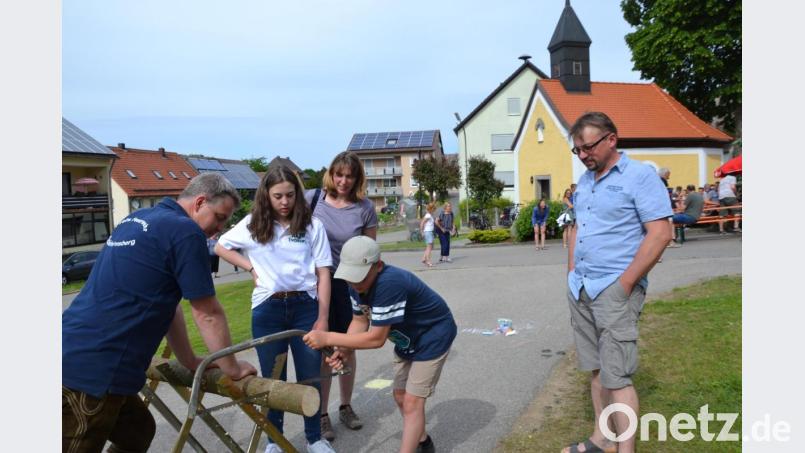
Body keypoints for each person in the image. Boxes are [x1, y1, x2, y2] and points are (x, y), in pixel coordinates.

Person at [62, 173, 257, 453]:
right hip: (96, 372)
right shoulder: (186, 232)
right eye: (219, 217)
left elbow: (169, 304)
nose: (219, 228)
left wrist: (188, 359)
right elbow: (208, 313)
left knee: (138, 432)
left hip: (70, 348)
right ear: (200, 202)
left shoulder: (136, 220)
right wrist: (233, 368)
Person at [564, 112, 672, 453]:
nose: (583, 155)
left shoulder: (640, 177)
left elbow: (661, 232)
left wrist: (625, 284)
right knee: (596, 369)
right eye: (577, 150)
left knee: (617, 376)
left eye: (588, 147)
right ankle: (602, 439)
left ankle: (625, 449)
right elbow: (578, 226)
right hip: (581, 287)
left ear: (612, 139)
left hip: (614, 289)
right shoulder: (585, 181)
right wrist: (571, 273)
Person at [215, 165, 335, 453]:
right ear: (266, 196)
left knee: (309, 376)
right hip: (267, 309)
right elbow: (220, 245)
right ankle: (274, 442)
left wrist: (322, 317)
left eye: (290, 195)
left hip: (305, 307)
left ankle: (314, 438)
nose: (285, 202)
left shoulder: (312, 226)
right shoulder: (252, 224)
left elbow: (323, 273)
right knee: (272, 380)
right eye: (278, 196)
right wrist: (250, 266)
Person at [303, 236, 456, 453]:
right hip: (407, 339)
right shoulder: (354, 284)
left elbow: (376, 338)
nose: (355, 283)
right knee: (401, 395)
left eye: (360, 277)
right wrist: (342, 351)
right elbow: (359, 320)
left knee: (412, 401)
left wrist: (328, 338)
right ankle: (424, 442)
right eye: (351, 277)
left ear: (379, 266)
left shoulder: (389, 283)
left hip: (432, 336)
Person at [305, 151, 377, 442]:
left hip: (350, 283)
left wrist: (369, 289)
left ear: (357, 178)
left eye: (350, 176)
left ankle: (345, 406)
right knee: (325, 348)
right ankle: (322, 414)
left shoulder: (365, 207)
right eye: (339, 174)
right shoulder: (313, 200)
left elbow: (370, 250)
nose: (344, 181)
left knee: (348, 346)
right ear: (331, 174)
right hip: (319, 282)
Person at [420, 202, 436, 267]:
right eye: (434, 209)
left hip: (429, 232)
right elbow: (422, 223)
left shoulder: (429, 215)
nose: (434, 210)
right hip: (428, 232)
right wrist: (421, 232)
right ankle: (428, 261)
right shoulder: (428, 215)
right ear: (431, 209)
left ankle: (424, 258)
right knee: (429, 247)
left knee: (430, 246)